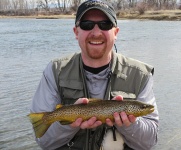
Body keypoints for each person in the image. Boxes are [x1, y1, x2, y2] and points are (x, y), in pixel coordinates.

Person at [30, 0, 159, 149]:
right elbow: (44, 142)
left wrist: (130, 125)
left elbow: (150, 141)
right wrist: (69, 126)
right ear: (76, 32)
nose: (96, 32)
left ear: (115, 32)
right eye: (87, 25)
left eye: (105, 25)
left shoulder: (140, 75)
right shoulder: (54, 71)